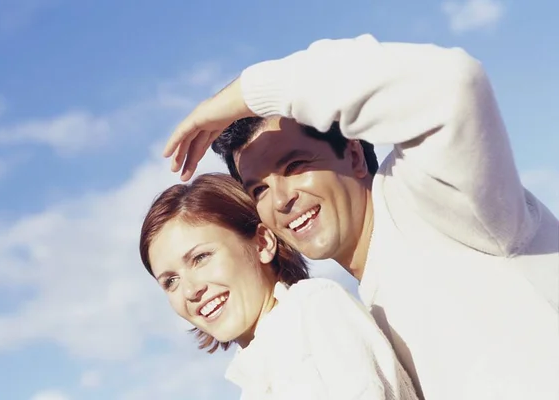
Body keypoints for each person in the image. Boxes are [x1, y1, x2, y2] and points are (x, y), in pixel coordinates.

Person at [162, 34, 559, 400]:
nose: (280, 199)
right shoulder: (361, 313)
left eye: (296, 165)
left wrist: (246, 94)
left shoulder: (433, 198)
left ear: (353, 155)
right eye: (259, 189)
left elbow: (453, 85)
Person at [139, 173, 418, 399]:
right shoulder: (253, 382)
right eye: (170, 281)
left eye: (201, 258)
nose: (190, 291)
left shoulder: (314, 309)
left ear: (263, 242)